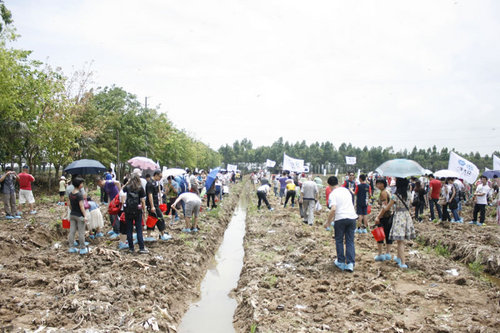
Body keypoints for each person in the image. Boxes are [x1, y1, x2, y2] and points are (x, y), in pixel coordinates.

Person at [324, 176, 358, 272]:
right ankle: (350, 263)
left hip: (340, 218)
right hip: (352, 217)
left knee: (339, 240)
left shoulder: (332, 194)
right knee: (350, 241)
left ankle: (341, 261)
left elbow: (333, 209)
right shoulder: (345, 190)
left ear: (329, 185)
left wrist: (328, 222)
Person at [382, 178, 415, 269]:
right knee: (401, 240)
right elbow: (411, 204)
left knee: (400, 242)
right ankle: (398, 258)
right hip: (406, 216)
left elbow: (387, 208)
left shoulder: (395, 196)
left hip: (399, 217)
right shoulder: (408, 194)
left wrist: (383, 206)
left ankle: (403, 262)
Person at [122, 174, 148, 254]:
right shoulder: (140, 188)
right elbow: (142, 200)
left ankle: (131, 248)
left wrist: (127, 182)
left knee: (129, 229)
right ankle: (141, 247)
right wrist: (144, 211)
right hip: (137, 210)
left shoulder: (128, 187)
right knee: (139, 229)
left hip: (128, 210)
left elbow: (122, 189)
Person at [145, 171, 171, 241]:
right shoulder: (150, 183)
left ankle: (149, 235)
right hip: (153, 205)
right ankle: (162, 234)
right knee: (159, 218)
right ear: (156, 175)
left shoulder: (155, 183)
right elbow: (150, 195)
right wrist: (152, 206)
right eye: (160, 177)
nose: (160, 178)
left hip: (155, 204)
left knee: (152, 219)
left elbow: (156, 193)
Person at [67, 177, 89, 255]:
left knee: (72, 231)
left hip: (72, 214)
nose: (82, 185)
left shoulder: (70, 194)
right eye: (82, 183)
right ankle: (82, 248)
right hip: (79, 216)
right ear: (79, 185)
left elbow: (69, 204)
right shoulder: (79, 195)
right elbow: (81, 206)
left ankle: (71, 247)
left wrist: (73, 210)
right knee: (81, 232)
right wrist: (85, 216)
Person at [373, 179, 393, 261]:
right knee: (388, 235)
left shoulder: (383, 193)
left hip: (384, 216)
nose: (378, 185)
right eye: (377, 183)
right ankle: (388, 253)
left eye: (380, 183)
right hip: (389, 216)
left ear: (383, 184)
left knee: (380, 235)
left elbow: (384, 207)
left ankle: (380, 254)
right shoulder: (387, 191)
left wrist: (378, 216)